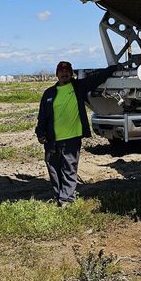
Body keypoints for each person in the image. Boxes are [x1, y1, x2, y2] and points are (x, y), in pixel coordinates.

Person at [35, 61, 112, 205]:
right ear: (57, 74)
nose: (64, 74)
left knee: (69, 169)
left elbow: (96, 78)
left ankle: (66, 200)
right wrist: (40, 132)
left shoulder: (78, 87)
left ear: (71, 74)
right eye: (61, 71)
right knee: (53, 169)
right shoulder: (49, 93)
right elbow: (42, 115)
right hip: (52, 139)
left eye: (67, 71)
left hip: (71, 138)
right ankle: (59, 196)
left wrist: (112, 69)